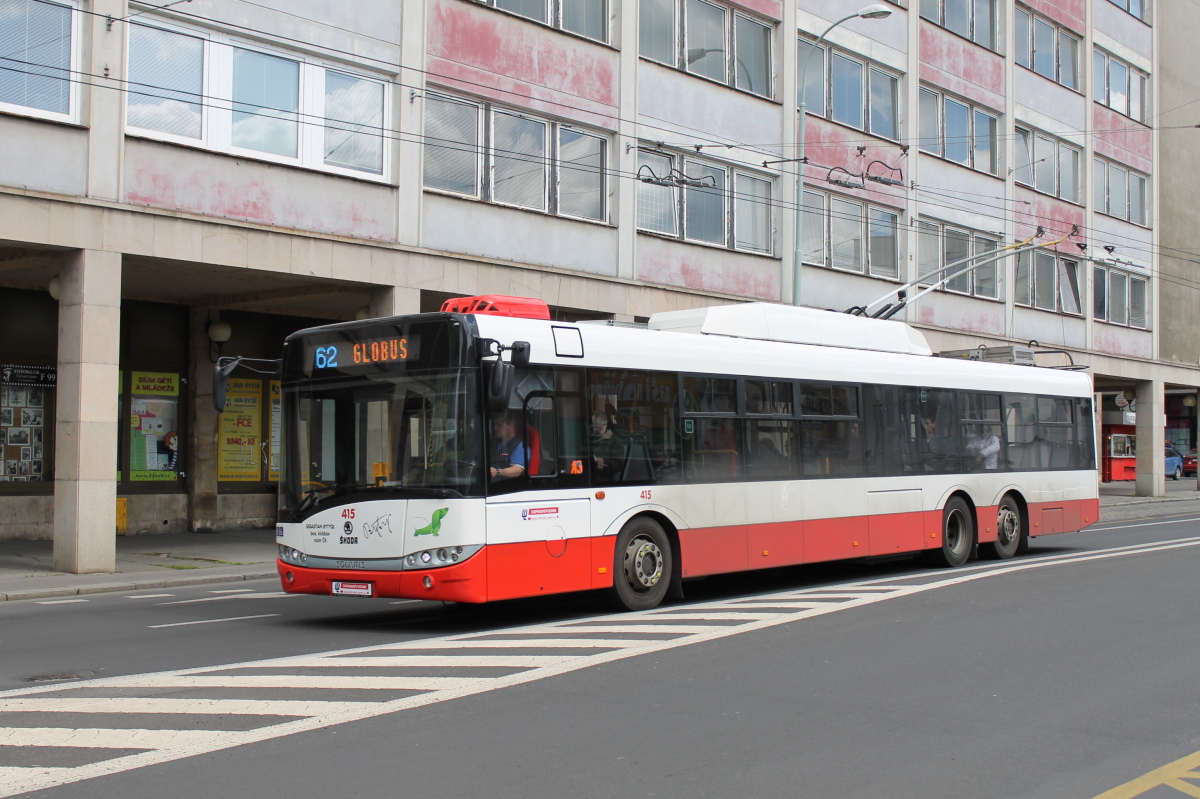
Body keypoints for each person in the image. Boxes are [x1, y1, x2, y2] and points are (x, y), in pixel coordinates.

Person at [489, 409, 528, 481]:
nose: (495, 428)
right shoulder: (494, 443)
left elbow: (517, 470)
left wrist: (497, 472)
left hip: (503, 485)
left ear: (511, 426)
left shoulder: (520, 446)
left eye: (499, 425)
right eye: (495, 425)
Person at [590, 410, 625, 477]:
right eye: (592, 428)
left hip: (603, 478)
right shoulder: (589, 439)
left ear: (605, 425)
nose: (594, 431)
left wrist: (598, 461)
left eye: (598, 428)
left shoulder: (615, 440)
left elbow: (619, 465)